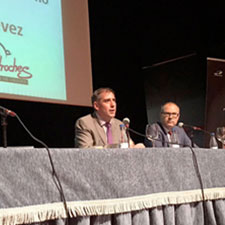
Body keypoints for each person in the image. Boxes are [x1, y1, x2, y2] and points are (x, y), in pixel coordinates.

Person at [75, 87, 144, 148]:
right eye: (107, 101)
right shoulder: (85, 123)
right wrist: (117, 147)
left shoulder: (119, 124)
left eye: (114, 100)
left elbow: (129, 145)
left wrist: (136, 147)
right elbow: (85, 150)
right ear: (96, 106)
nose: (112, 104)